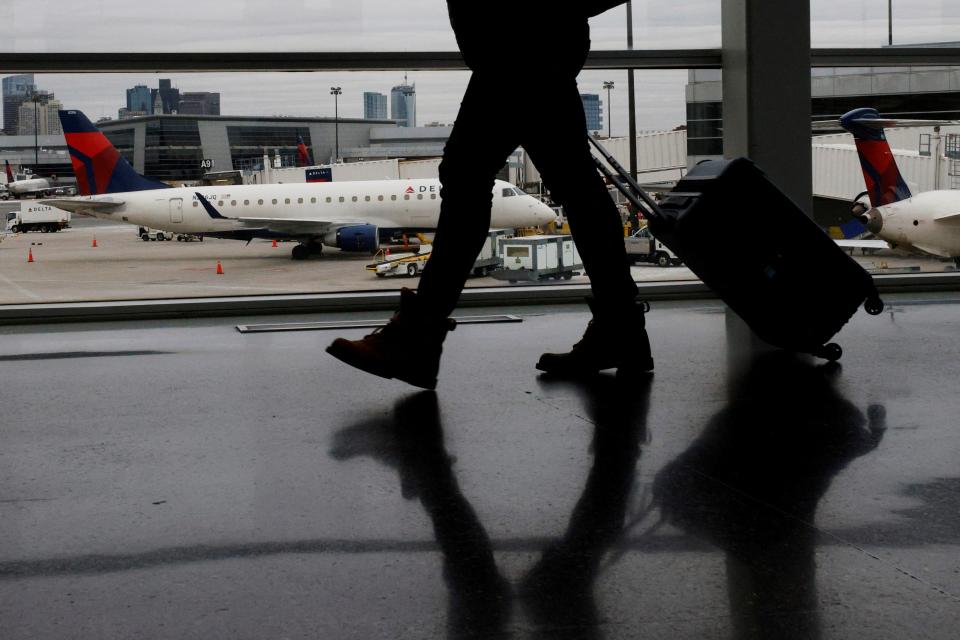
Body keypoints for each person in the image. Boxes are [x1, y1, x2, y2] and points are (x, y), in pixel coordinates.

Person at [327, 1, 653, 389]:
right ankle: (621, 329)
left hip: (518, 52)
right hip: (525, 48)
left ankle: (415, 338)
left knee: (468, 178)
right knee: (574, 187)